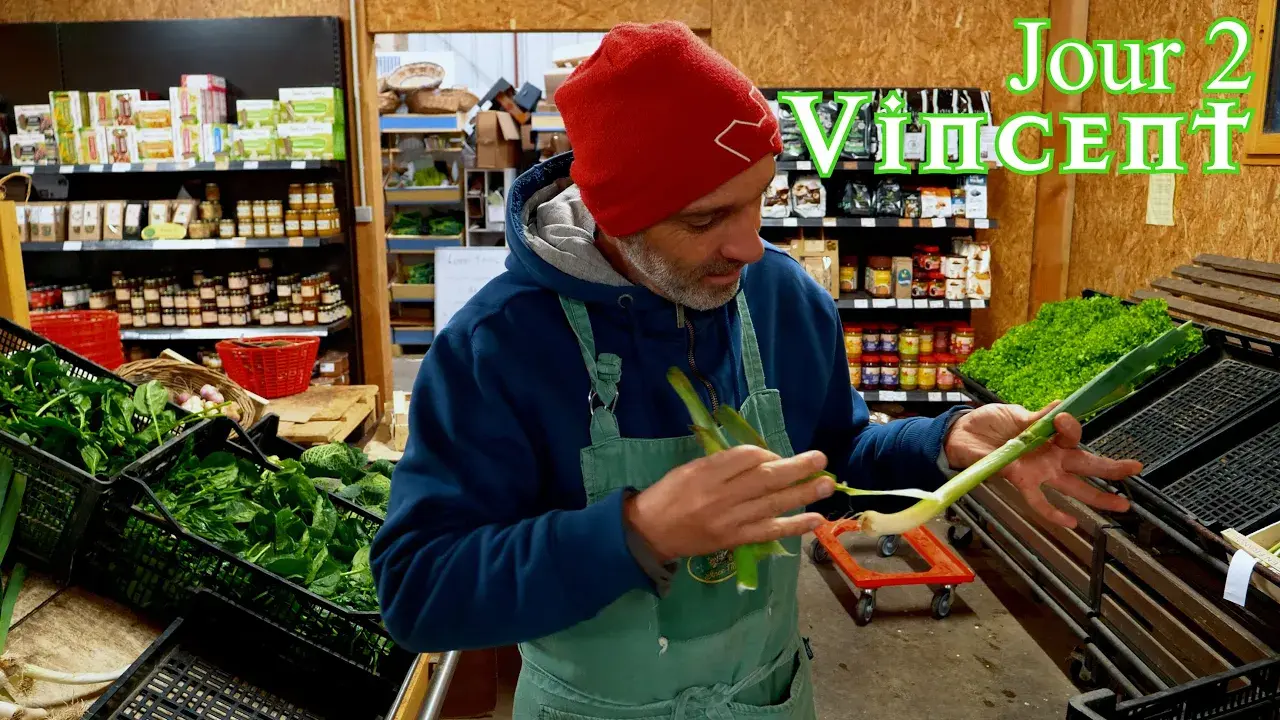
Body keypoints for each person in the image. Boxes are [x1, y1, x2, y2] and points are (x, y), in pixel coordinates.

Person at [370, 20, 1139, 720]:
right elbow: (417, 590)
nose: (748, 246)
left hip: (768, 701)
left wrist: (949, 442)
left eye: (757, 201)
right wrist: (634, 534)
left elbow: (835, 461)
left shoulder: (782, 298)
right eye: (706, 218)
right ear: (613, 215)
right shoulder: (495, 347)